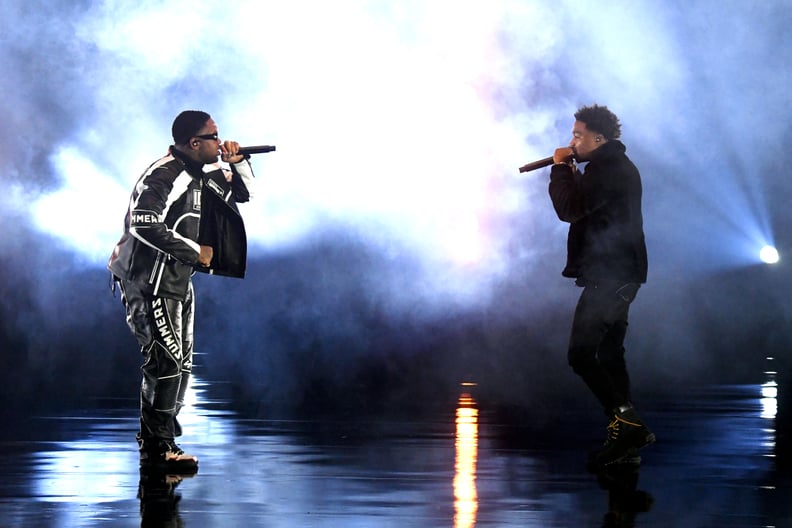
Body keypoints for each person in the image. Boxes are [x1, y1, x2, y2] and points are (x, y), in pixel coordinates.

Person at [108, 110, 256, 471]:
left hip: (176, 281)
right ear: (194, 143)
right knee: (166, 362)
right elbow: (143, 222)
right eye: (214, 137)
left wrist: (239, 163)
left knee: (182, 364)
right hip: (148, 282)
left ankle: (157, 438)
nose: (220, 143)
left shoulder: (199, 177)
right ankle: (159, 447)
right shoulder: (165, 173)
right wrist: (195, 252)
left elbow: (243, 194)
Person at [548, 104, 654, 469]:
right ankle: (628, 441)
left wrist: (560, 169)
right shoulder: (608, 168)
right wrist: (573, 171)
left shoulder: (608, 170)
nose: (572, 141)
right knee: (609, 355)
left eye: (578, 136)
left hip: (612, 275)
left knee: (580, 354)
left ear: (599, 138)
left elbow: (570, 210)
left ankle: (627, 428)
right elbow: (590, 207)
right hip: (619, 273)